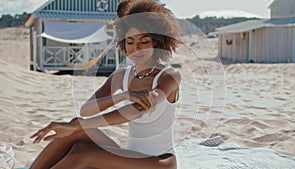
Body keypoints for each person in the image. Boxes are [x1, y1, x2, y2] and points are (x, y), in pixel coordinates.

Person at [30, 0, 182, 168]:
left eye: (143, 41)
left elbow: (137, 110)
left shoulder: (169, 76)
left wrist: (75, 125)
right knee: (77, 133)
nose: (136, 48)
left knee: (81, 152)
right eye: (130, 42)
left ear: (156, 42)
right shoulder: (122, 75)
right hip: (129, 155)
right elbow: (86, 110)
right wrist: (122, 95)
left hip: (159, 162)